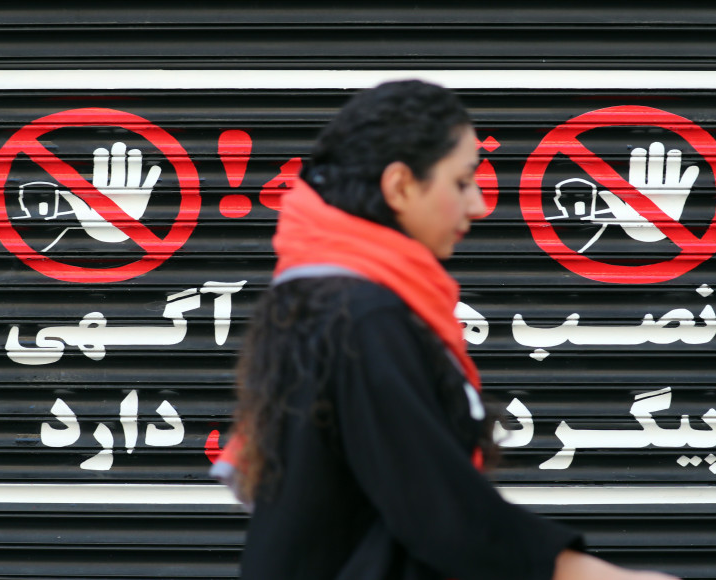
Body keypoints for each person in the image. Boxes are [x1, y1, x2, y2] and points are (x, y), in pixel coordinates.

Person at [214, 80, 679, 580]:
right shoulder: (363, 318)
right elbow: (436, 508)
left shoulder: (323, 299)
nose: (478, 206)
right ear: (399, 186)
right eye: (461, 183)